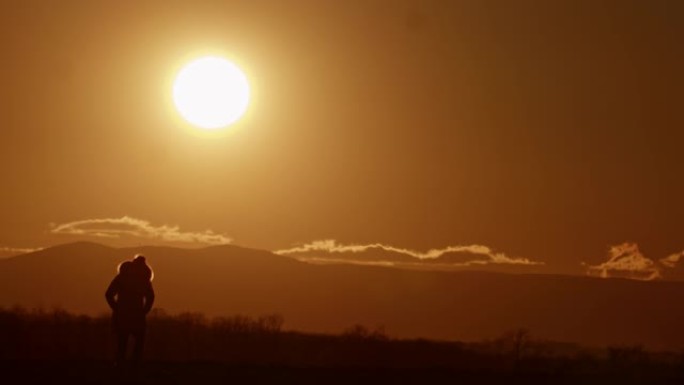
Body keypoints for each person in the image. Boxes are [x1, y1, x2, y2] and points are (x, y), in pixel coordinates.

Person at [105, 255, 155, 368]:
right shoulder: (144, 279)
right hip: (137, 315)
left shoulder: (122, 277)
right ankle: (134, 364)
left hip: (123, 314)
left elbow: (108, 294)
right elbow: (151, 297)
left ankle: (120, 364)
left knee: (122, 341)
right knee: (139, 341)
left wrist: (117, 308)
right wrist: (144, 310)